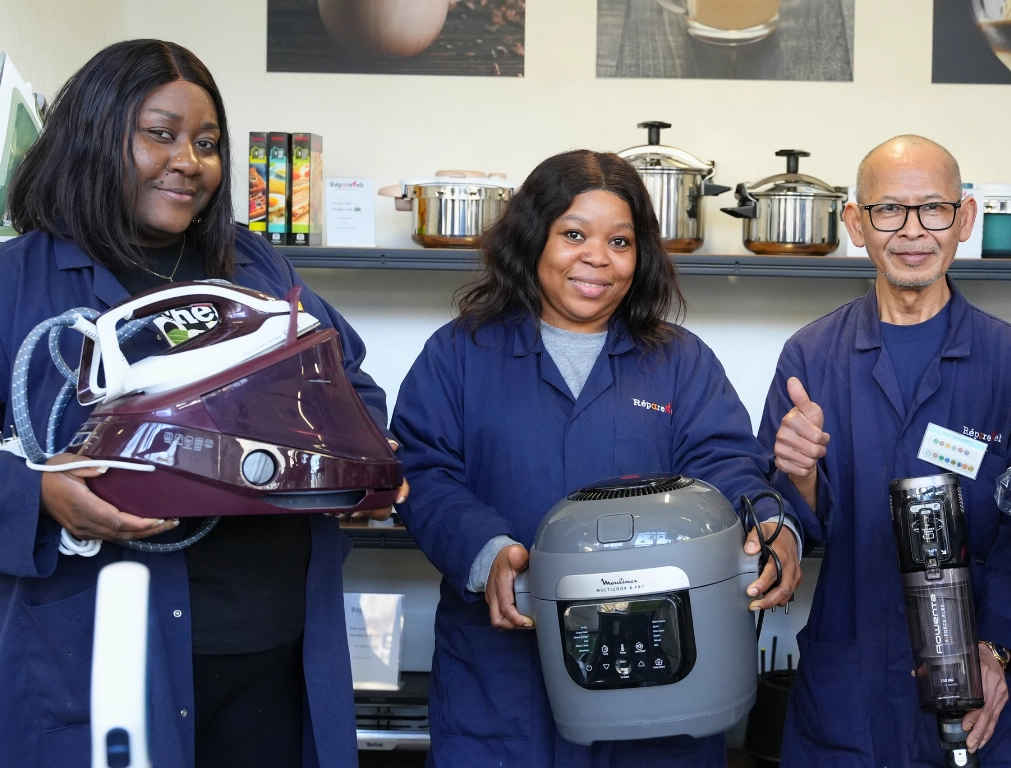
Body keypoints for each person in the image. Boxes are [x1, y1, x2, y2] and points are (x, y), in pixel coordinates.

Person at [0, 40, 403, 768]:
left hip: (271, 646)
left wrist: (358, 458)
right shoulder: (17, 284)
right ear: (94, 136)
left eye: (208, 144)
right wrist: (40, 495)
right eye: (161, 134)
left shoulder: (254, 266)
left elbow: (347, 383)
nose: (189, 161)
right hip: (103, 646)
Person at [390, 149, 802, 768]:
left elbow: (726, 464)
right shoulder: (460, 354)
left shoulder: (679, 361)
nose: (598, 258)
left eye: (620, 241)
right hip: (502, 682)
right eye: (574, 235)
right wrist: (486, 551)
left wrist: (771, 523)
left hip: (661, 665)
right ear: (533, 240)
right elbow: (423, 471)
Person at [760, 135, 1011, 766]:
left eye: (934, 208)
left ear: (965, 218)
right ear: (855, 223)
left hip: (979, 671)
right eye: (889, 209)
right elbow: (790, 528)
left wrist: (995, 649)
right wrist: (798, 475)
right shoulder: (811, 357)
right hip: (851, 672)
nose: (913, 230)